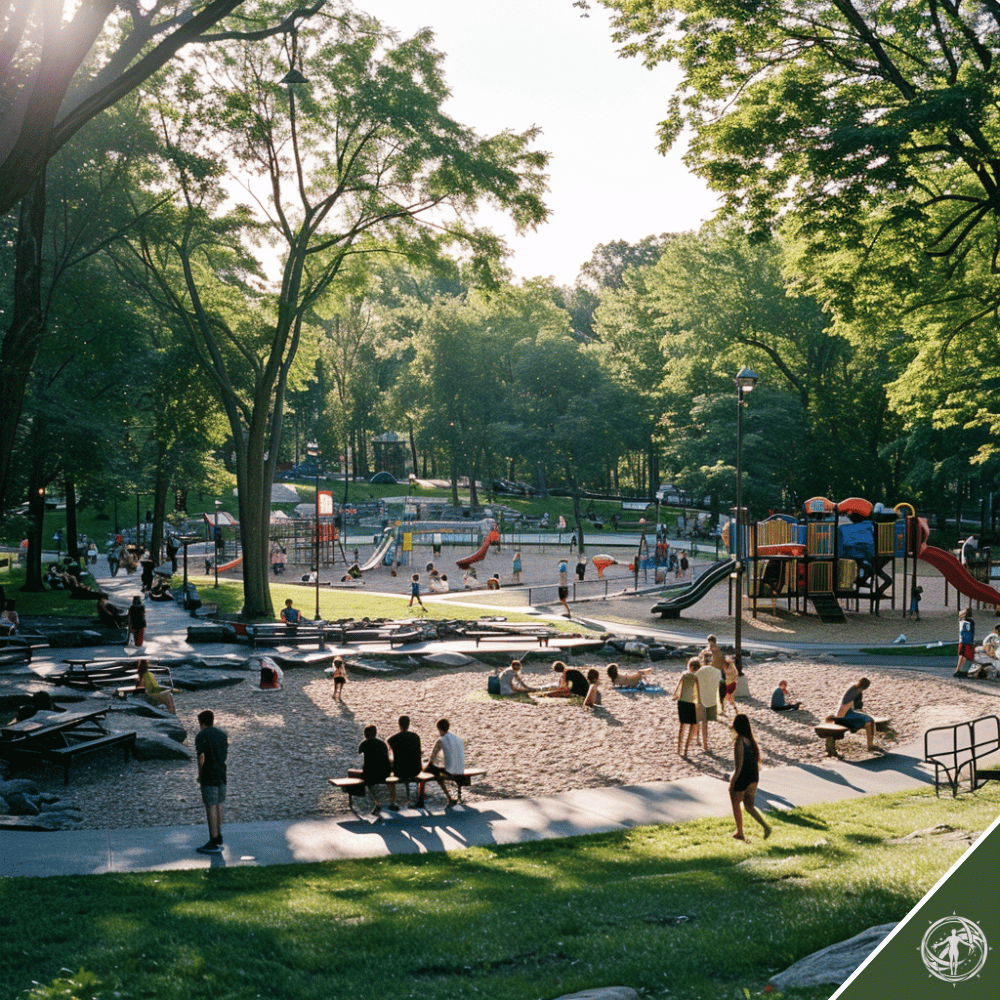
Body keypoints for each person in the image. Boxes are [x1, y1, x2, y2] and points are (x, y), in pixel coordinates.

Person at [729, 714, 771, 841]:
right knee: (749, 806)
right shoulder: (751, 741)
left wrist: (732, 782)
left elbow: (739, 766)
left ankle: (740, 832)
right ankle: (765, 826)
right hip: (754, 777)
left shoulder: (739, 742)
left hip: (744, 777)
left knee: (735, 803)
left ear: (736, 727)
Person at [194, 709, 228, 854]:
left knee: (210, 806)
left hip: (209, 774)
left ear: (201, 722)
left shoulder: (201, 736)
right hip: (221, 773)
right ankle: (219, 835)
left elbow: (201, 757)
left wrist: (200, 775)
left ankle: (213, 840)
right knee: (219, 804)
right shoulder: (222, 735)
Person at [418, 718, 465, 808]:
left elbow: (432, 758)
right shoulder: (458, 739)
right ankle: (454, 796)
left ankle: (448, 797)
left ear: (439, 729)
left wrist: (425, 766)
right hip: (460, 768)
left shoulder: (441, 740)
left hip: (451, 770)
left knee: (429, 769)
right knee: (437, 768)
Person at [833, 677, 884, 751]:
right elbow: (844, 707)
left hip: (847, 713)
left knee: (868, 719)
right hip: (845, 716)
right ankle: (870, 745)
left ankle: (870, 744)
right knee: (869, 721)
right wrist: (838, 718)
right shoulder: (854, 692)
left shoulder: (854, 689)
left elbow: (856, 707)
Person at [387, 715, 422, 809]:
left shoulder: (393, 739)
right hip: (415, 769)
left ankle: (393, 801)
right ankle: (418, 799)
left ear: (399, 724)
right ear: (409, 724)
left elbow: (389, 744)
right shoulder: (416, 737)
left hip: (400, 770)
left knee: (389, 762)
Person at [358, 724, 392, 815]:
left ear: (367, 734)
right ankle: (383, 801)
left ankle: (364, 799)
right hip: (384, 772)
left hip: (370, 774)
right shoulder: (382, 743)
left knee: (358, 776)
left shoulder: (364, 743)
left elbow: (359, 751)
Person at [673, 658, 702, 756]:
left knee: (682, 726)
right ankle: (685, 749)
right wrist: (699, 703)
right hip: (690, 703)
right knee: (692, 726)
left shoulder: (684, 675)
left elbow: (678, 689)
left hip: (681, 702)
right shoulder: (695, 678)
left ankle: (678, 748)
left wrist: (675, 696)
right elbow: (697, 692)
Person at [695, 652, 722, 752]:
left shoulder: (698, 672)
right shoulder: (717, 671)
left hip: (700, 699)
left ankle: (698, 739)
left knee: (698, 720)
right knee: (705, 723)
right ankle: (705, 745)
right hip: (711, 699)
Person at [955, 608, 976, 677]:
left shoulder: (964, 622)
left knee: (963, 655)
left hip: (964, 641)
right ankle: (965, 670)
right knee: (968, 656)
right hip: (968, 641)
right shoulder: (970, 622)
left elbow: (964, 633)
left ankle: (958, 670)